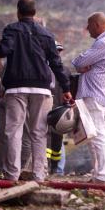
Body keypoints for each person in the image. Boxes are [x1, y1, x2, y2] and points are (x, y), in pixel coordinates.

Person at [0, 0, 72, 182]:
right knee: (39, 133)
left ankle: (12, 175)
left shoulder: (11, 29)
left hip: (16, 88)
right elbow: (56, 63)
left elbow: (3, 51)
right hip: (41, 89)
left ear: (18, 12)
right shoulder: (46, 34)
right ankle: (38, 175)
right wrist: (66, 88)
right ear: (34, 13)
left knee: (14, 130)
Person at [72, 12, 105, 185]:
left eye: (89, 25)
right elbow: (81, 63)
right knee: (93, 136)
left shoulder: (103, 43)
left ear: (98, 25)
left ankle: (103, 175)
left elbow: (78, 62)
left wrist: (82, 64)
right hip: (95, 95)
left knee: (98, 135)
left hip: (94, 96)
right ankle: (99, 173)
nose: (87, 28)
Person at [46, 41, 71, 175]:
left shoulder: (64, 70)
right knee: (47, 140)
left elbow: (70, 89)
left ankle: (55, 168)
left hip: (59, 110)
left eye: (59, 51)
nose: (58, 54)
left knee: (57, 141)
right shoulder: (45, 68)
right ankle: (49, 167)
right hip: (48, 108)